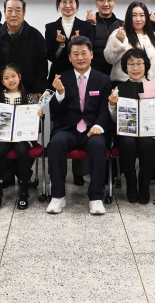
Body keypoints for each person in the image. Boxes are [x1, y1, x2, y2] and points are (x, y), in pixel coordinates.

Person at [46, 36, 112, 215]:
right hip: (68, 129)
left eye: (84, 53)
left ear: (91, 54)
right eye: (75, 54)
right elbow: (55, 113)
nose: (80, 57)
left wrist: (99, 126)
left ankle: (96, 198)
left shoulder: (103, 79)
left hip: (92, 129)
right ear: (69, 57)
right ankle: (58, 196)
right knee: (55, 144)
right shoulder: (62, 78)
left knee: (98, 145)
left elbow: (105, 109)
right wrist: (60, 93)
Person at [108, 48, 155, 204]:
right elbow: (115, 119)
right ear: (125, 67)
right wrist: (112, 105)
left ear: (146, 65)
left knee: (147, 144)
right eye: (131, 64)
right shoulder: (119, 88)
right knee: (127, 143)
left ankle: (144, 185)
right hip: (127, 132)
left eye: (139, 63)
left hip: (149, 132)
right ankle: (131, 184)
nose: (135, 68)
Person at [0, 64, 43, 210]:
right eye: (6, 78)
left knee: (22, 149)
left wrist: (38, 115)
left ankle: (24, 190)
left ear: (19, 77)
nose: (11, 80)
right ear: (2, 82)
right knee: (0, 149)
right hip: (3, 136)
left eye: (13, 76)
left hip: (22, 137)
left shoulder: (28, 97)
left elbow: (35, 125)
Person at [0, 0, 48, 98]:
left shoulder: (36, 36)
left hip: (29, 91)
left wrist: (39, 88)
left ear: (24, 13)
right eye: (9, 10)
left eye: (18, 10)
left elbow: (42, 66)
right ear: (4, 13)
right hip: (2, 92)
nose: (13, 14)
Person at [104, 1, 155, 86]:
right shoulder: (119, 33)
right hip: (123, 85)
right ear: (128, 17)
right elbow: (110, 59)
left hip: (150, 85)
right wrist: (120, 42)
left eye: (142, 15)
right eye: (134, 15)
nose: (138, 19)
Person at [46, 0, 95, 82]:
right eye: (64, 2)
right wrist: (60, 45)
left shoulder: (86, 26)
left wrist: (79, 44)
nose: (68, 6)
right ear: (58, 5)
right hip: (58, 75)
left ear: (76, 5)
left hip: (81, 75)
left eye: (71, 2)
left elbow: (90, 52)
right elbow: (50, 57)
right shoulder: (50, 27)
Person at [86, 0, 122, 76]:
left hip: (118, 76)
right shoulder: (87, 24)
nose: (106, 4)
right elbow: (86, 49)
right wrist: (91, 26)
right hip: (95, 75)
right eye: (102, 0)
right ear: (96, 3)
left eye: (109, 0)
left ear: (114, 3)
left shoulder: (122, 25)